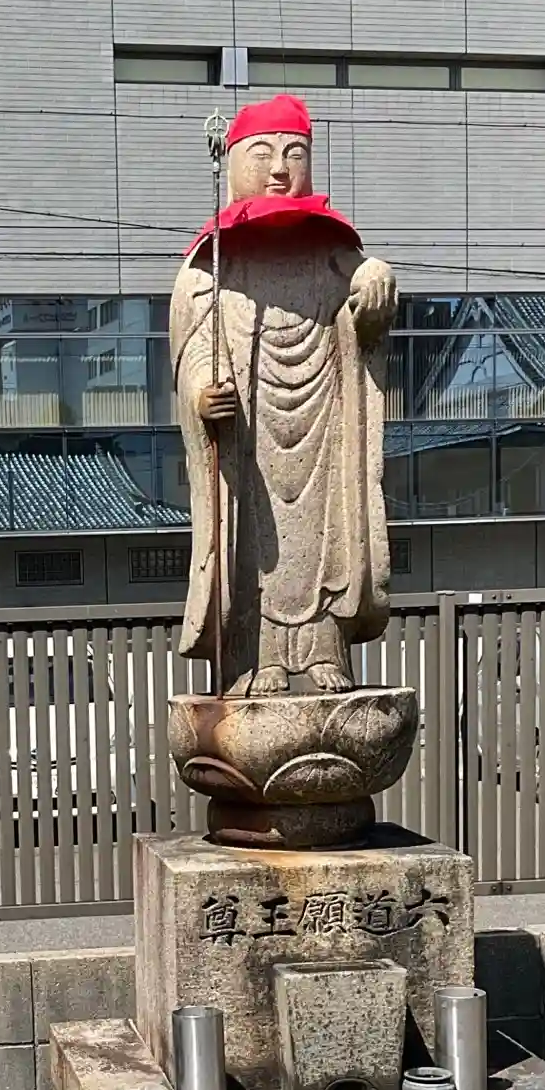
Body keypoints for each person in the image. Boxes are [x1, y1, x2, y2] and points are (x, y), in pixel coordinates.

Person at [171, 93, 398, 698]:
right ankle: (256, 658)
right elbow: (194, 347)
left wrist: (375, 283)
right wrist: (202, 396)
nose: (279, 169)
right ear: (234, 162)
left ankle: (325, 651)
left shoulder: (332, 252)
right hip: (249, 435)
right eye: (263, 154)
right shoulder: (212, 263)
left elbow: (366, 301)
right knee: (251, 544)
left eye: (294, 154)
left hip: (324, 420)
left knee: (328, 535)